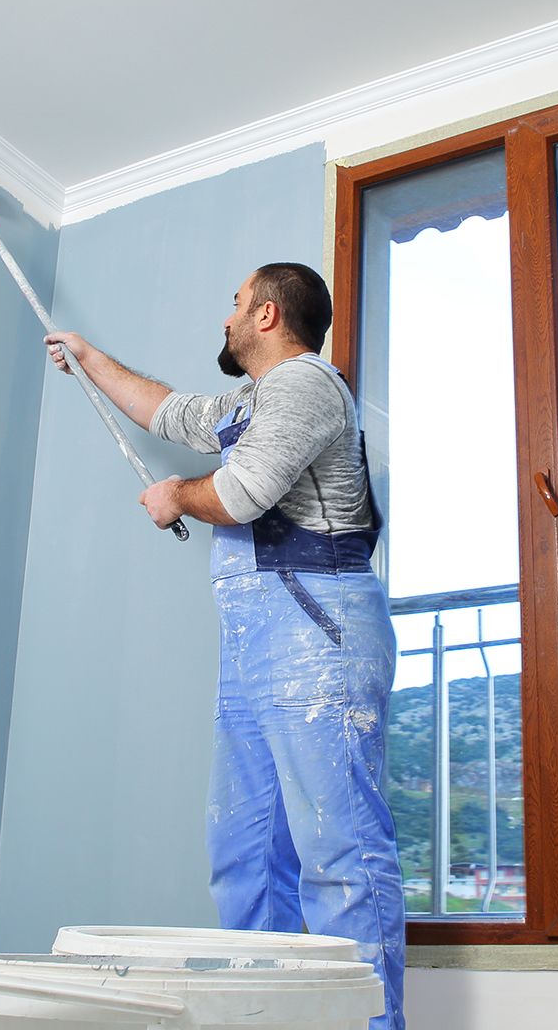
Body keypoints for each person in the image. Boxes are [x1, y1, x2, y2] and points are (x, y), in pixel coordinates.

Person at [44, 262, 405, 1029]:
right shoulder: (252, 402)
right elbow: (167, 411)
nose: (227, 317)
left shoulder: (305, 384)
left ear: (268, 315)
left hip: (319, 636)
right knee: (247, 861)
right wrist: (88, 356)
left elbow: (243, 494)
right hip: (258, 648)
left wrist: (176, 494)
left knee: (340, 853)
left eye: (236, 304)